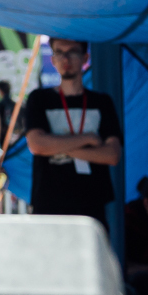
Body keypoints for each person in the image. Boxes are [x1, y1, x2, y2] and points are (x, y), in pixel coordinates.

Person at [19, 38, 123, 221]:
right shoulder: (39, 98)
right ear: (52, 59)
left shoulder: (101, 102)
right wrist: (88, 138)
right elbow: (37, 145)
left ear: (85, 58)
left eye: (73, 52)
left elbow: (112, 155)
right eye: (59, 53)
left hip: (91, 203)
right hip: (49, 203)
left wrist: (57, 147)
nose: (65, 59)